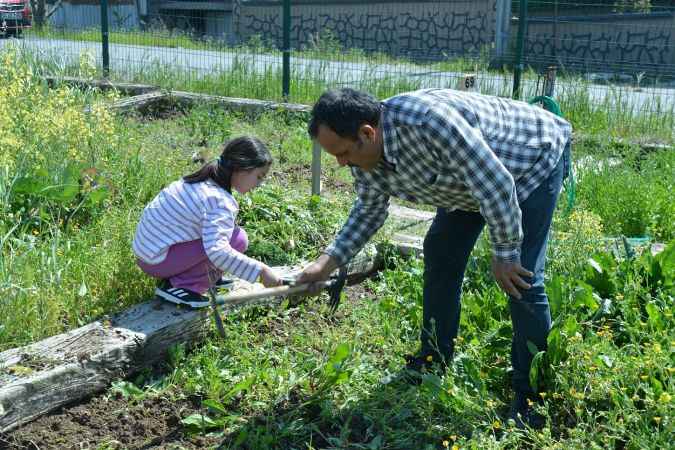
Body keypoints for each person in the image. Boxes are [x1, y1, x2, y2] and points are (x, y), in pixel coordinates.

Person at [296, 87, 572, 428]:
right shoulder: (364, 153)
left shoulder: (429, 123)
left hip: (530, 161)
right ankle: (433, 358)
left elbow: (497, 185)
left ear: (367, 133)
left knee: (521, 277)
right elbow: (368, 211)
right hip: (469, 183)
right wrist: (325, 264)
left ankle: (532, 395)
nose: (341, 163)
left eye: (342, 153)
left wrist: (504, 252)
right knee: (440, 252)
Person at [133, 136, 283, 308]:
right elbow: (218, 251)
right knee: (238, 240)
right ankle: (181, 285)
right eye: (259, 176)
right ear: (241, 168)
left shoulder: (204, 181)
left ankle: (204, 275)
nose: (260, 184)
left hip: (150, 252)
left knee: (230, 234)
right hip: (157, 260)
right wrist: (262, 272)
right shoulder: (219, 200)